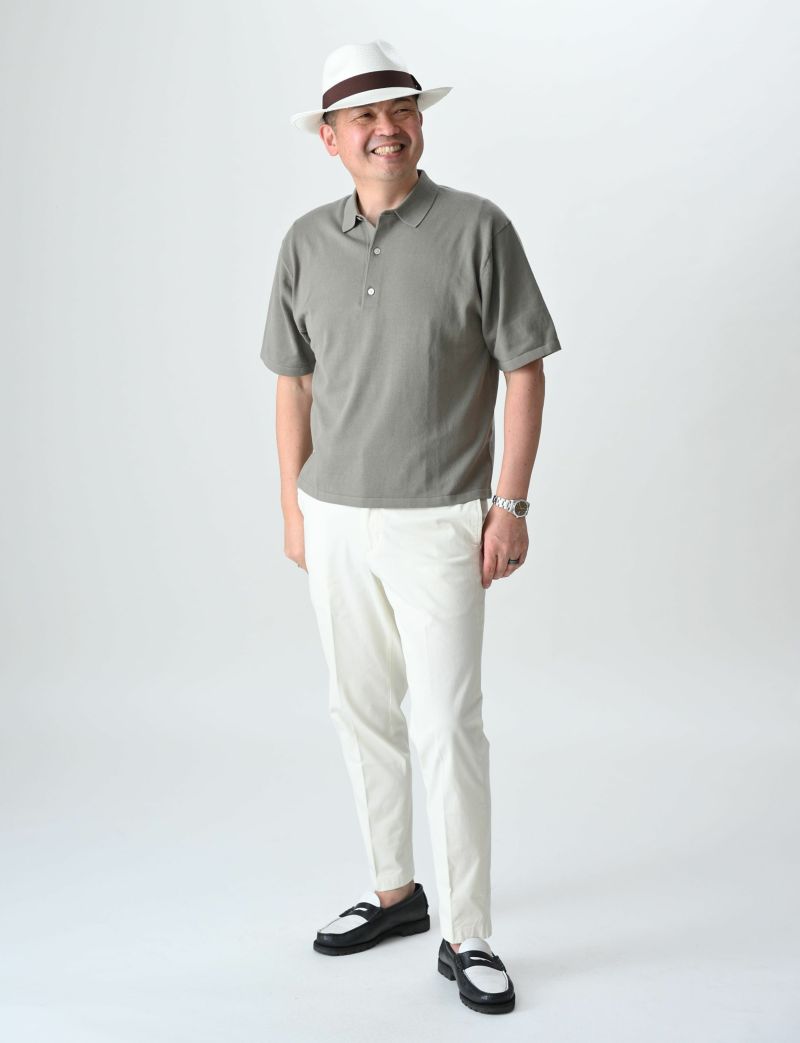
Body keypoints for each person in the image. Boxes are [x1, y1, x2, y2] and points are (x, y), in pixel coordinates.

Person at [260, 39, 562, 1015]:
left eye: (400, 112)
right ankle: (395, 892)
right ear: (330, 138)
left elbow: (524, 369)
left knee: (446, 723)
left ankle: (467, 931)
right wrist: (292, 507)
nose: (386, 130)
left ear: (419, 122)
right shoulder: (304, 242)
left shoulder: (477, 228)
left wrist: (509, 503)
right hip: (333, 517)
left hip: (442, 518)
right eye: (364, 118)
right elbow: (292, 383)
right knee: (360, 712)